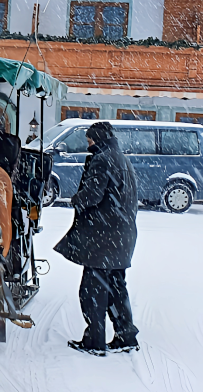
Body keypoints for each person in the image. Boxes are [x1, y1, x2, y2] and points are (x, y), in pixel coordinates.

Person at [54, 121, 140, 355]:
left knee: (93, 289)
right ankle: (126, 336)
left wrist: (76, 199)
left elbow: (93, 194)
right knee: (116, 288)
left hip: (103, 237)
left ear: (97, 139)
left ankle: (94, 341)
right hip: (121, 235)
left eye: (89, 141)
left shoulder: (103, 159)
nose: (88, 145)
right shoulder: (122, 158)